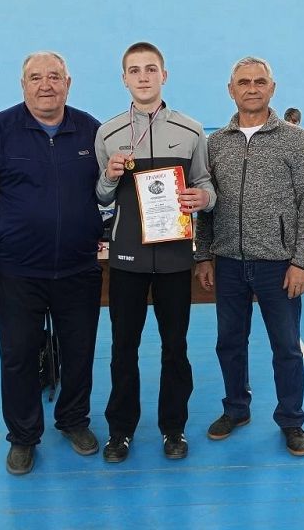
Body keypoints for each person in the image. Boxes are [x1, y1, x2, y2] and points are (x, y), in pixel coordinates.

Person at [0, 52, 104, 475]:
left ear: (68, 83)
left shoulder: (91, 130)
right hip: (17, 269)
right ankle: (23, 436)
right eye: (36, 77)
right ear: (22, 84)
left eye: (54, 77)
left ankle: (73, 420)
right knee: (18, 356)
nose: (46, 85)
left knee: (79, 352)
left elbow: (112, 189)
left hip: (79, 267)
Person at [194, 56, 304, 457]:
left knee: (286, 346)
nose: (252, 88)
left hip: (279, 264)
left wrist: (302, 261)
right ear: (231, 90)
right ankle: (236, 409)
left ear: (272, 87)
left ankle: (291, 419)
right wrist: (203, 255)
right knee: (229, 343)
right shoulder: (215, 143)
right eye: (244, 82)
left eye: (259, 81)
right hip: (229, 263)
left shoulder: (295, 139)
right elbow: (206, 204)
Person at [95, 42, 215, 463]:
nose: (143, 77)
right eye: (134, 70)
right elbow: (100, 195)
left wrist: (204, 198)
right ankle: (120, 431)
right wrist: (110, 177)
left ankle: (173, 428)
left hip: (175, 257)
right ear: (124, 79)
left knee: (175, 347)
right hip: (126, 258)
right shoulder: (108, 132)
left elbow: (205, 182)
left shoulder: (191, 129)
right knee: (123, 348)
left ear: (164, 75)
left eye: (151, 69)